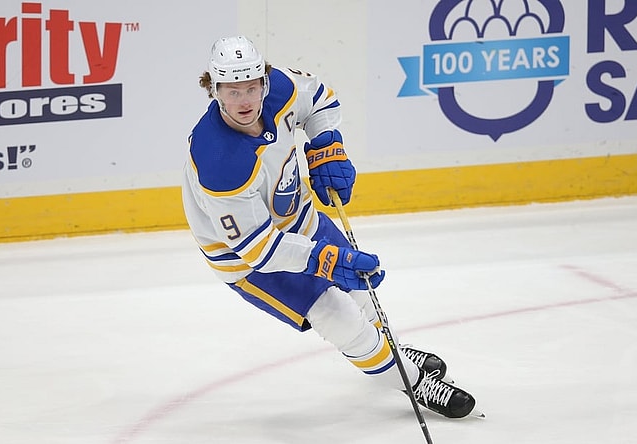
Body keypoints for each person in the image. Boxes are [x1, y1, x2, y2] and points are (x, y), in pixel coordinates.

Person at [181, 35, 477, 419]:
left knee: (362, 288)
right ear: (215, 90)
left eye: (252, 87)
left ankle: (393, 352)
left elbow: (319, 97)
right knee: (336, 314)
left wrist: (326, 144)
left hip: (298, 216)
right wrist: (323, 259)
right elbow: (259, 250)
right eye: (233, 91)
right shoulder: (219, 161)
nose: (245, 101)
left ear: (264, 82)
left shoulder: (281, 89)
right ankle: (414, 383)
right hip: (248, 259)